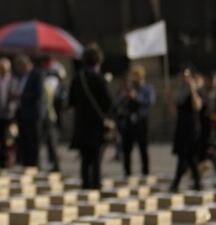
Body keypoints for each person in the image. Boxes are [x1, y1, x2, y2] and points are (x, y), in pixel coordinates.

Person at [68, 45, 111, 190]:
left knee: (85, 159)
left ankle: (85, 186)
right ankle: (96, 186)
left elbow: (70, 101)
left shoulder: (77, 79)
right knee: (96, 158)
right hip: (97, 125)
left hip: (81, 124)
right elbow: (108, 104)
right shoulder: (100, 79)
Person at [113, 65, 155, 178]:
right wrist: (123, 93)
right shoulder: (128, 89)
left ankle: (145, 173)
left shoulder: (147, 89)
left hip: (141, 122)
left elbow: (149, 102)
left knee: (143, 149)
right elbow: (118, 103)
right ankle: (127, 173)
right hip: (129, 123)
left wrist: (136, 97)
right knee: (127, 149)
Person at [169, 67, 205, 192]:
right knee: (186, 157)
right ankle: (196, 182)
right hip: (182, 126)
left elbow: (197, 106)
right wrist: (170, 99)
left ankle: (177, 183)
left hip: (192, 127)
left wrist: (192, 90)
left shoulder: (195, 89)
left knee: (188, 156)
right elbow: (175, 111)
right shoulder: (181, 92)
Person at [15, 55, 46, 169]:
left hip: (34, 114)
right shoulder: (22, 76)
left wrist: (21, 96)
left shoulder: (37, 75)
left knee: (34, 141)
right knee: (25, 140)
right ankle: (26, 163)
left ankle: (34, 164)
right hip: (23, 113)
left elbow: (38, 94)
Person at [41, 60, 66, 172]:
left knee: (50, 142)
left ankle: (53, 164)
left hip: (48, 116)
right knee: (52, 142)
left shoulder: (47, 82)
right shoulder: (53, 83)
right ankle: (54, 164)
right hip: (52, 117)